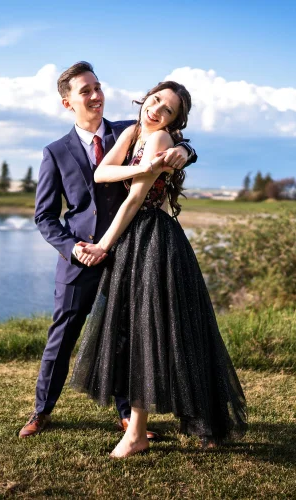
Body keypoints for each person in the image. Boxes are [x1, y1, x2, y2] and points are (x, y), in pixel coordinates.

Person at [70, 81, 247, 458]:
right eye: (154, 101)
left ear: (174, 120)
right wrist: (145, 167)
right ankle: (190, 425)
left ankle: (136, 434)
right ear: (144, 99)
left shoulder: (159, 139)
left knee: (150, 335)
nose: (156, 111)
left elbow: (135, 199)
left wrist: (103, 245)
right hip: (136, 240)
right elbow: (102, 173)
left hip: (153, 240)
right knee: (154, 333)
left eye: (166, 110)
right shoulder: (135, 132)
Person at [19, 62, 197, 438]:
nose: (96, 95)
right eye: (85, 91)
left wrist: (185, 150)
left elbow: (168, 136)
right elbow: (46, 216)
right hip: (80, 258)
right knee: (63, 336)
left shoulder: (128, 131)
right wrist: (73, 248)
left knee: (126, 338)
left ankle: (127, 418)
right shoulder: (54, 153)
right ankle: (41, 411)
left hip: (127, 252)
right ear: (68, 103)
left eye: (97, 87)